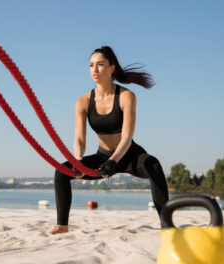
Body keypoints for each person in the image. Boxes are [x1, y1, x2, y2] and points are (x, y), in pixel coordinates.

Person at [50, 46, 168, 235]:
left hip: (128, 154)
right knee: (62, 171)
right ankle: (62, 226)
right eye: (91, 65)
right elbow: (80, 138)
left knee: (153, 165)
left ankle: (167, 225)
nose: (94, 70)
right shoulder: (83, 102)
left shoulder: (126, 96)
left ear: (112, 68)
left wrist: (114, 161)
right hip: (103, 156)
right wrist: (78, 161)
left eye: (100, 65)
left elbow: (127, 135)